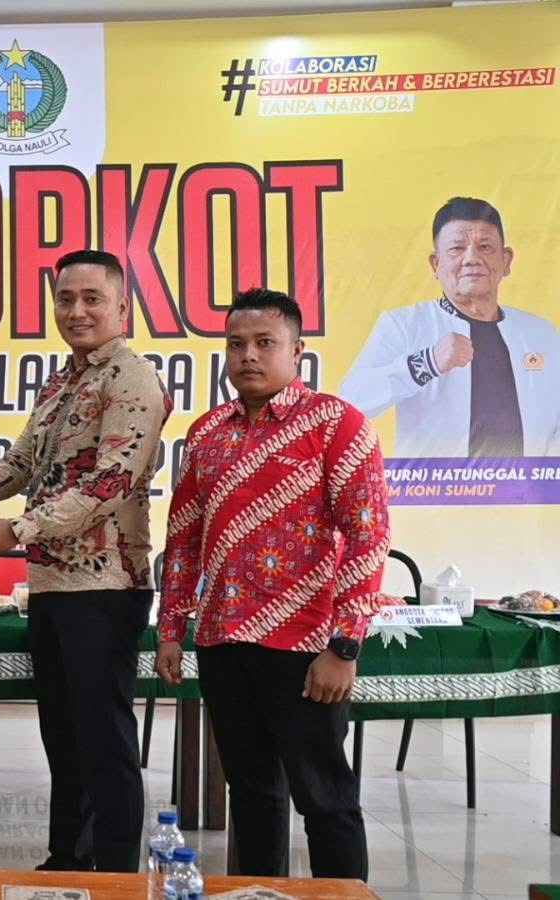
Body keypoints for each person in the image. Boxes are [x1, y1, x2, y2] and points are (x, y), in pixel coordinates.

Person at [0, 249, 170, 873]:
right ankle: (68, 860)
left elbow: (111, 482)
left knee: (103, 739)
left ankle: (114, 874)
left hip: (106, 586)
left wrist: (19, 530)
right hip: (53, 584)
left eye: (92, 299)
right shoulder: (62, 381)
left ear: (122, 307)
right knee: (64, 735)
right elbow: (22, 464)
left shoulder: (132, 378)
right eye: (65, 299)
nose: (77, 311)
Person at [157, 288, 390, 880]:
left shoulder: (338, 425)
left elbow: (367, 538)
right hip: (222, 642)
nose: (249, 356)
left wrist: (344, 647)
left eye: (265, 343)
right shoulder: (207, 433)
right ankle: (259, 894)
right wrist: (171, 629)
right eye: (236, 344)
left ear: (298, 350)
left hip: (306, 648)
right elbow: (183, 538)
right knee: (253, 794)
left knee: (325, 798)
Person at [339, 196, 560, 458]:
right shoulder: (405, 325)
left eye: (485, 247)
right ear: (437, 264)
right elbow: (349, 404)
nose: (472, 258)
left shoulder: (541, 333)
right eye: (457, 249)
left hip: (528, 483)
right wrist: (427, 362)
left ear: (506, 260)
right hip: (437, 484)